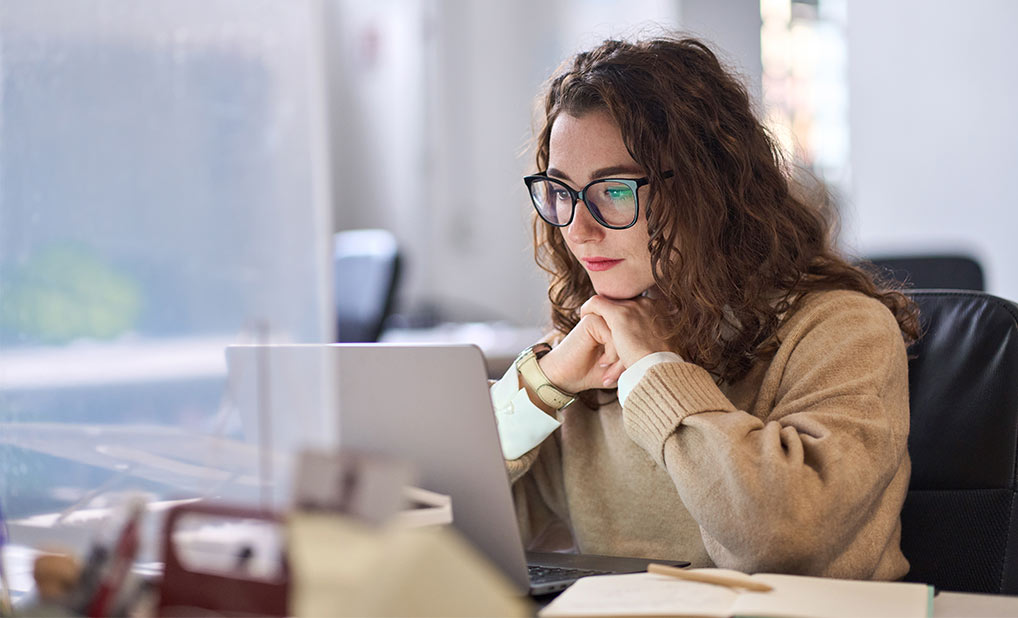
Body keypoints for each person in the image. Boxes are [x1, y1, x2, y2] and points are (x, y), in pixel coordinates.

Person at [489, 36, 919, 581]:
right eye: (561, 192)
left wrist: (653, 371)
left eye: (615, 190)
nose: (579, 227)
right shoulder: (591, 345)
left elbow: (778, 541)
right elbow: (440, 515)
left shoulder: (842, 331)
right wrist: (542, 384)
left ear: (706, 188)